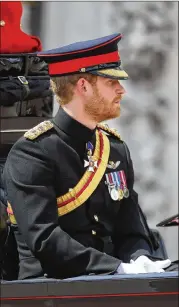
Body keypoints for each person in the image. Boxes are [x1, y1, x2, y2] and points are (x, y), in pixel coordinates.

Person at [3, 33, 172, 280]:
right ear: (83, 86)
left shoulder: (114, 148)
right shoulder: (32, 152)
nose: (121, 90)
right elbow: (45, 239)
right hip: (50, 289)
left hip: (109, 285)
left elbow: (131, 227)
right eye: (111, 83)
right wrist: (118, 268)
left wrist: (140, 259)